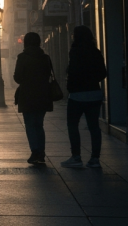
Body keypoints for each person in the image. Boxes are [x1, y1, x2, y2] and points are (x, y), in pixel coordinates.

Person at [61, 25, 108, 169]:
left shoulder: (75, 52)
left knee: (72, 125)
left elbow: (73, 72)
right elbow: (103, 73)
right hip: (94, 93)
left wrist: (71, 86)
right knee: (94, 126)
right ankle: (95, 159)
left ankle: (76, 157)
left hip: (77, 95)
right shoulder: (96, 52)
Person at [13, 32, 53, 165]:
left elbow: (17, 78)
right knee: (39, 124)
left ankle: (35, 151)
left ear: (26, 43)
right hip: (42, 94)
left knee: (30, 124)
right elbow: (48, 74)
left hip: (27, 95)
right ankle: (41, 152)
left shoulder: (22, 57)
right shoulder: (45, 58)